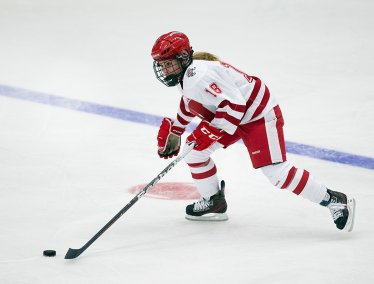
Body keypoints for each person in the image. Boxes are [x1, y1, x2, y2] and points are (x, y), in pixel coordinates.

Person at [151, 31, 356, 231]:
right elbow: (191, 102)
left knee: (276, 173)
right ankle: (213, 201)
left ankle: (334, 200)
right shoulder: (186, 76)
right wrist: (176, 131)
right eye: (162, 65)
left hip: (258, 114)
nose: (165, 70)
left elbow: (235, 106)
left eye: (169, 64)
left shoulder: (199, 75)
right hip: (235, 115)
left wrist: (209, 133)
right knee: (194, 151)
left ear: (184, 56)